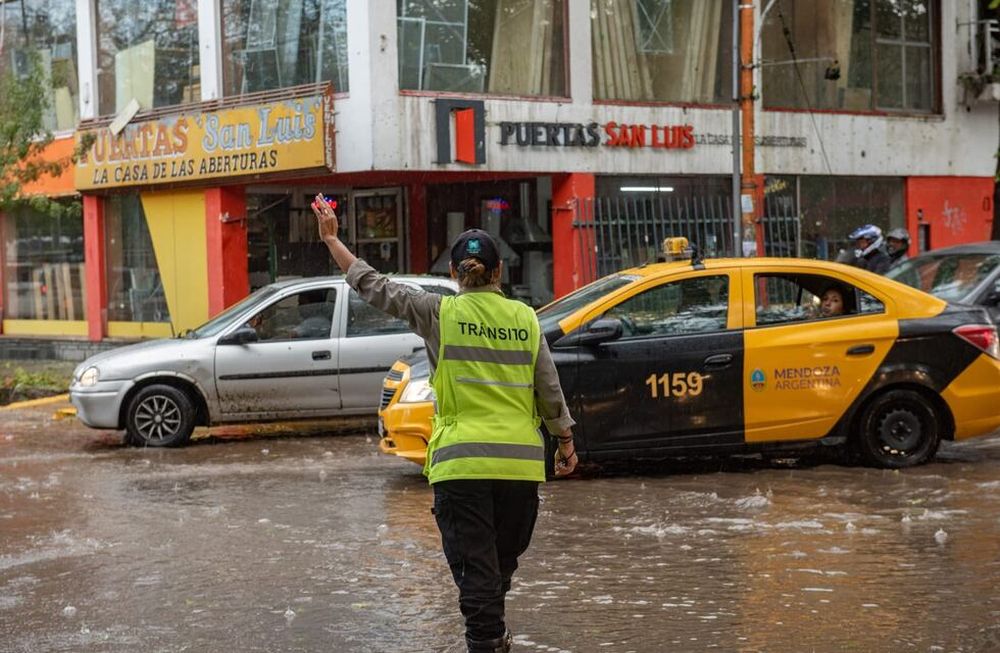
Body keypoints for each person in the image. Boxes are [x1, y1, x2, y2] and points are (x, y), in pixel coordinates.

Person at [310, 194, 576, 653]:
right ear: (498, 273)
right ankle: (493, 636)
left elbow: (374, 285)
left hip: (461, 466)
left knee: (478, 573)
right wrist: (566, 443)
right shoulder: (525, 319)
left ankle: (487, 642)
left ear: (454, 275)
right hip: (519, 470)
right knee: (496, 569)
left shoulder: (439, 312)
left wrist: (333, 239)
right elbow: (548, 389)